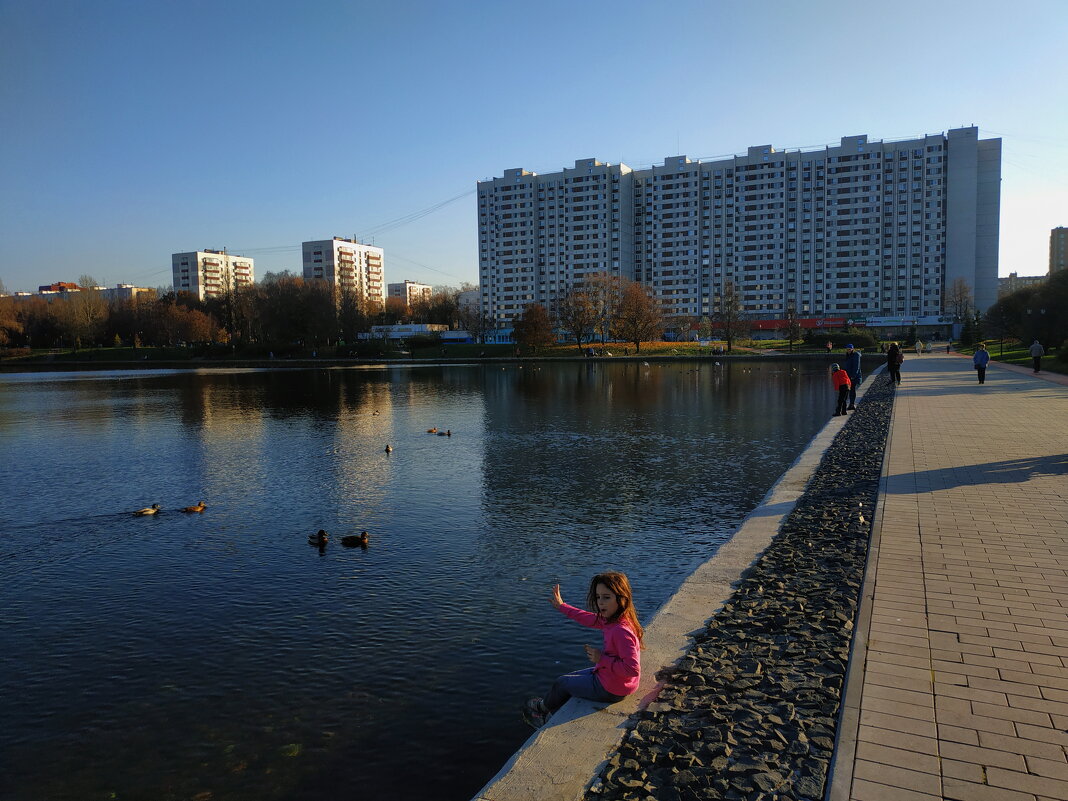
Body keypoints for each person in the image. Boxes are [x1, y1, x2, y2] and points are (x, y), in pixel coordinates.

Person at [522, 572, 643, 728]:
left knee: (562, 683)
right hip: (615, 680)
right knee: (567, 679)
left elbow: (632, 669)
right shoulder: (616, 619)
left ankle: (543, 712)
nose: (600, 602)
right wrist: (562, 606)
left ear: (621, 599)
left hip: (612, 689)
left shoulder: (620, 630)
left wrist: (602, 659)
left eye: (606, 597)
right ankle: (548, 705)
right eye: (598, 597)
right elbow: (588, 618)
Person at [843, 343, 862, 410]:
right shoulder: (848, 355)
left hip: (853, 376)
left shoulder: (856, 355)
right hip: (848, 376)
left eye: (850, 349)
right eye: (847, 349)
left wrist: (853, 375)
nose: (848, 350)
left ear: (852, 349)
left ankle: (852, 404)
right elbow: (846, 366)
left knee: (852, 390)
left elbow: (857, 366)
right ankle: (850, 404)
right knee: (848, 390)